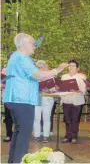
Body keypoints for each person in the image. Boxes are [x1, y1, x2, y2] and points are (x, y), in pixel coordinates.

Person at [3, 33, 68, 163]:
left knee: (19, 132)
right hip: (22, 99)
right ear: (23, 44)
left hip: (15, 99)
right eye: (32, 43)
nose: (35, 46)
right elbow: (37, 75)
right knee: (24, 134)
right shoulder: (22, 58)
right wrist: (57, 70)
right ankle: (18, 161)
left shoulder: (15, 57)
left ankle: (13, 161)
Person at [60, 59, 86, 144]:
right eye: (69, 66)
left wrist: (79, 90)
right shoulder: (64, 77)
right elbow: (61, 89)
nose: (71, 67)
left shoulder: (81, 77)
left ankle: (74, 136)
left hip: (77, 100)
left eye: (73, 66)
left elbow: (84, 89)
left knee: (75, 119)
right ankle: (67, 136)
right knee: (67, 119)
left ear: (77, 68)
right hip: (66, 100)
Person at [33, 60, 55, 143]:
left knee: (46, 117)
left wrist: (49, 90)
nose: (39, 69)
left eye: (41, 67)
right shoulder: (34, 76)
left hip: (47, 99)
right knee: (36, 118)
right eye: (38, 67)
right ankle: (37, 135)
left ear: (45, 67)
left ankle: (46, 135)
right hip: (36, 99)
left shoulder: (50, 76)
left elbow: (54, 89)